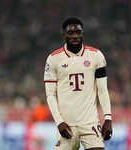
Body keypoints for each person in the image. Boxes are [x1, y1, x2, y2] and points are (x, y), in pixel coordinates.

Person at [44, 17, 112, 150]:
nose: (75, 36)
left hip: (90, 123)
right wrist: (59, 122)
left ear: (83, 33)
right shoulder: (53, 59)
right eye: (70, 33)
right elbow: (50, 95)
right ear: (64, 34)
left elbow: (102, 90)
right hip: (67, 125)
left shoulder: (96, 56)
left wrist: (108, 118)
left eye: (78, 32)